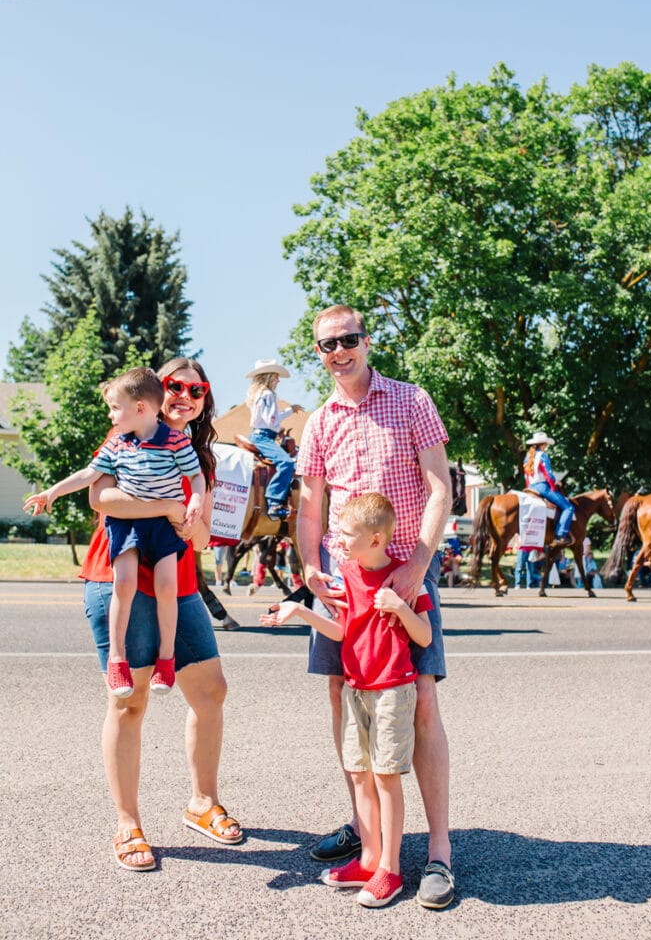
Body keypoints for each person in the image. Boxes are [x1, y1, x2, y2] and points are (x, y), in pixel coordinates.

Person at [296, 303, 455, 910]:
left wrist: (417, 563)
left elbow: (441, 487)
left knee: (421, 704)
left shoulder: (412, 401)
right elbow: (312, 508)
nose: (338, 351)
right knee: (344, 701)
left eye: (348, 339)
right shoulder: (319, 422)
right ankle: (370, 840)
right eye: (326, 344)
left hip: (405, 572)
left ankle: (437, 852)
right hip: (342, 582)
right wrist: (310, 568)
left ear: (366, 341)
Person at [75, 358, 242, 871]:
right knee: (131, 701)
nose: (185, 396)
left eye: (197, 390)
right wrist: (169, 508)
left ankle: (201, 802)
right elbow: (101, 498)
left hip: (179, 583)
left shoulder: (199, 455)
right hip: (118, 578)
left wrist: (185, 514)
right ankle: (128, 822)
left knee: (210, 690)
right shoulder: (127, 430)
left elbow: (199, 533)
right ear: (154, 394)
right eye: (175, 387)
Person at [261, 493, 433, 907]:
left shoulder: (407, 579)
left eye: (346, 534)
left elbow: (425, 636)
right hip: (356, 689)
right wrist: (299, 612)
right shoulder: (347, 574)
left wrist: (399, 607)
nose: (337, 540)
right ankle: (370, 858)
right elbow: (341, 632)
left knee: (386, 777)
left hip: (393, 689)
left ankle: (390, 869)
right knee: (359, 773)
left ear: (376, 539)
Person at [23, 367, 205, 697]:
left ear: (140, 408)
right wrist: (52, 492)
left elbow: (197, 479)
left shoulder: (179, 442)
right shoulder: (118, 441)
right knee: (124, 583)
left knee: (168, 586)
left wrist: (193, 505)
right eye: (175, 386)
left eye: (196, 389)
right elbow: (91, 480)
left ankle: (167, 659)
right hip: (128, 525)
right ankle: (117, 660)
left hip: (164, 530)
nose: (110, 415)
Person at [245, 358, 303, 518]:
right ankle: (274, 503)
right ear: (269, 377)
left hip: (258, 434)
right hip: (264, 437)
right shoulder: (268, 394)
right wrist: (288, 412)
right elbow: (272, 420)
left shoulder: (259, 394)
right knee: (286, 463)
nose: (278, 380)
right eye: (276, 376)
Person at [523, 431, 574, 544]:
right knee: (568, 507)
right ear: (543, 444)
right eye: (546, 444)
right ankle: (560, 534)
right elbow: (548, 475)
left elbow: (525, 476)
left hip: (531, 487)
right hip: (542, 487)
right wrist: (555, 484)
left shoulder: (527, 457)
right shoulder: (543, 456)